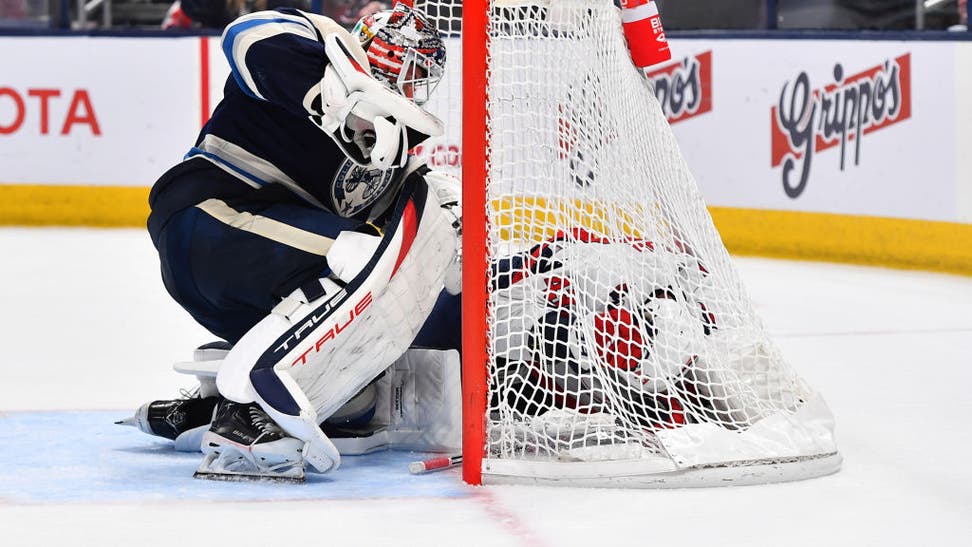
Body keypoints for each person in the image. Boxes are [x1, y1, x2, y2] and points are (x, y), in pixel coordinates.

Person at [129, 3, 462, 482]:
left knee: (363, 377)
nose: (409, 87)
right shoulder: (314, 48)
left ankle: (214, 407)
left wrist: (451, 228)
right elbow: (245, 36)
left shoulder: (389, 149)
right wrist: (330, 94)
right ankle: (251, 413)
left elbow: (413, 260)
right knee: (363, 260)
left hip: (243, 274)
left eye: (417, 79)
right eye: (407, 70)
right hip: (209, 215)